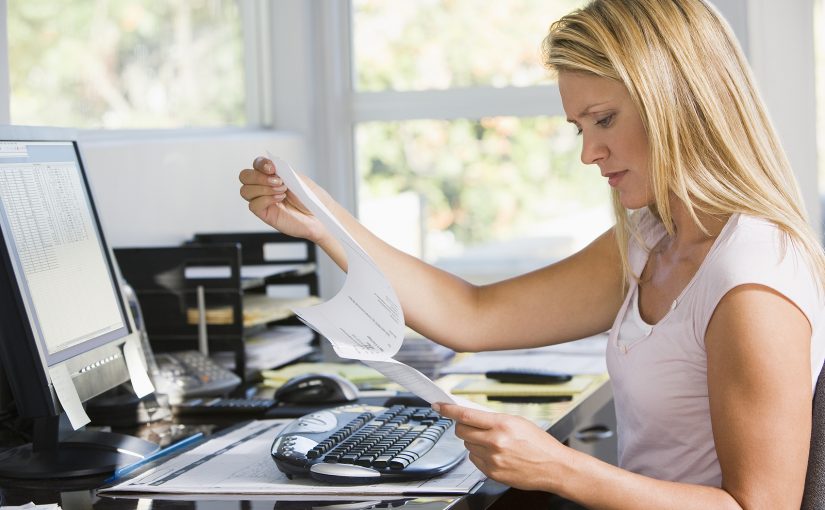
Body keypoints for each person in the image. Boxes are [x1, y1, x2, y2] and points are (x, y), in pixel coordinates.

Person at [239, 0, 825, 507]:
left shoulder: (750, 280)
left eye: (604, 119)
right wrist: (325, 222)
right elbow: (472, 315)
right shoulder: (654, 241)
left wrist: (560, 469)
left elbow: (759, 507)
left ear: (679, 103)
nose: (589, 153)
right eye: (579, 128)